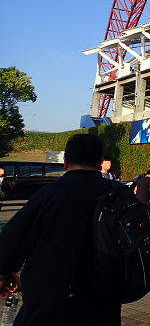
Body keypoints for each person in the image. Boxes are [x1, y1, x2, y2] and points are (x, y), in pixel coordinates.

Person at [0, 134, 122, 324]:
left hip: (51, 298)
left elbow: (12, 239)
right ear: (100, 162)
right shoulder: (119, 193)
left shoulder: (48, 194)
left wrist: (6, 273)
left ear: (65, 161)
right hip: (103, 298)